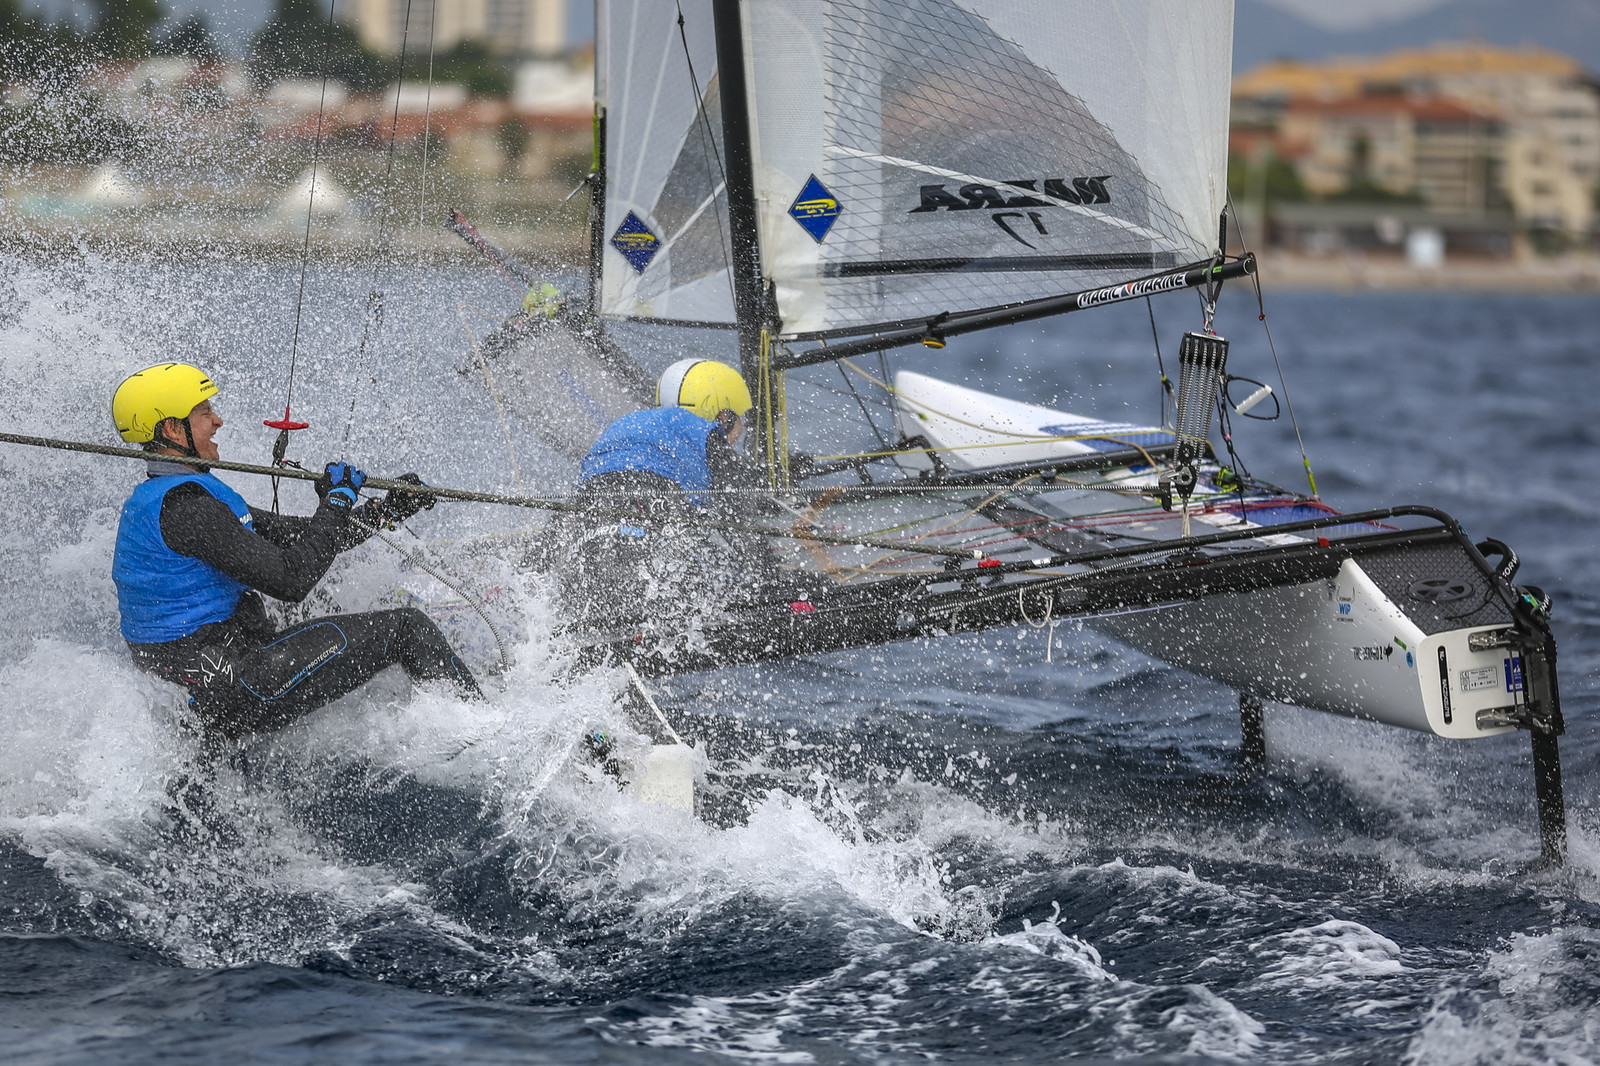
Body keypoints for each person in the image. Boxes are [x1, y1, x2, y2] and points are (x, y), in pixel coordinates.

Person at [110, 362, 481, 741]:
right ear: (173, 429)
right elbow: (291, 579)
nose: (217, 421)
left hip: (206, 684)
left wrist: (385, 510)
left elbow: (298, 537)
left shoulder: (168, 496)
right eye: (205, 413)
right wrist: (334, 502)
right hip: (234, 686)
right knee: (407, 627)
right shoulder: (190, 509)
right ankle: (484, 734)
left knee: (325, 601)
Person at [562, 359, 771, 622]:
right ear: (723, 417)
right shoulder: (704, 431)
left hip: (594, 498)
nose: (734, 441)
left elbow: (565, 518)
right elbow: (738, 512)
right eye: (737, 428)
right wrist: (765, 582)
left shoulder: (630, 423)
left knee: (585, 581)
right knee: (702, 579)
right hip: (656, 493)